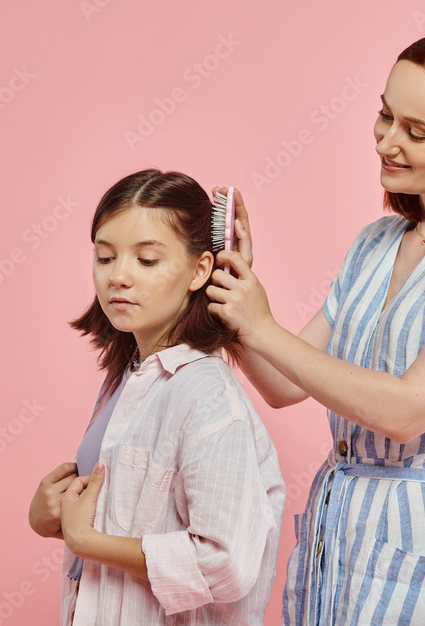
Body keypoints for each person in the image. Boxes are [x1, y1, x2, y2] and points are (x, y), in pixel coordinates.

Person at [206, 27, 425, 625]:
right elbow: (284, 384)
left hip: (417, 535)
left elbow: (407, 411)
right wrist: (235, 293)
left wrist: (263, 325)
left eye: (416, 131)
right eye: (384, 116)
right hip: (336, 526)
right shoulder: (376, 244)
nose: (387, 142)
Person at [28, 169, 286, 625]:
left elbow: (226, 562)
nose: (119, 277)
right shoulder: (127, 378)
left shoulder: (205, 395)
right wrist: (48, 516)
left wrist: (86, 540)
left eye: (147, 261)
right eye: (105, 258)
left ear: (200, 270)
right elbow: (125, 515)